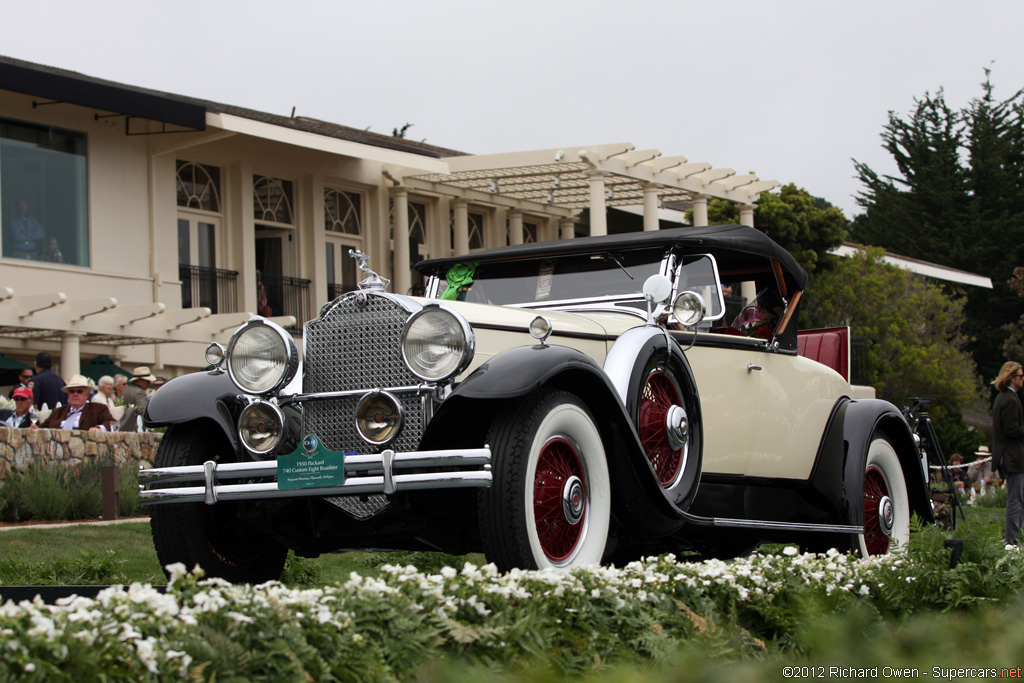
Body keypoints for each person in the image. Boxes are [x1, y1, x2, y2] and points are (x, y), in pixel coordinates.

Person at [991, 361, 1024, 546]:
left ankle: (1014, 536)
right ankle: (1011, 541)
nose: (1023, 378)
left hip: (1009, 455)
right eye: (1021, 376)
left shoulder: (1003, 398)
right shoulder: (1010, 400)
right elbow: (1011, 430)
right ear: (1012, 378)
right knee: (1015, 500)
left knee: (1020, 498)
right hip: (1013, 456)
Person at [38, 375, 114, 431]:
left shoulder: (97, 409)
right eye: (72, 391)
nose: (75, 394)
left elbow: (113, 423)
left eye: (79, 391)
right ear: (68, 394)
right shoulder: (58, 411)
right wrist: (35, 428)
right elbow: (42, 427)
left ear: (87, 395)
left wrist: (99, 429)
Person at [119, 366, 154, 431]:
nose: (149, 383)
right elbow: (143, 411)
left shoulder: (125, 390)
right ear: (139, 381)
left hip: (123, 426)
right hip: (135, 427)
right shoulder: (139, 392)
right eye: (147, 381)